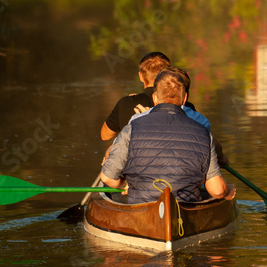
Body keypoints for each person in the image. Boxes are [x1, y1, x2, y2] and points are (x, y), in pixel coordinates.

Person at [100, 69, 235, 204]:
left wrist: (125, 184)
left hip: (141, 208)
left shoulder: (131, 128)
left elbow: (107, 178)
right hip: (185, 207)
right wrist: (227, 190)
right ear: (184, 98)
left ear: (154, 98)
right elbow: (217, 190)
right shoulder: (203, 132)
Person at [101, 51, 192, 140]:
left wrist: (131, 101)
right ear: (168, 74)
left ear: (140, 76)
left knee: (108, 153)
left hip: (134, 153)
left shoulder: (127, 103)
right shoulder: (184, 105)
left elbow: (105, 136)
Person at [128, 66, 211, 131]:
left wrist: (146, 115)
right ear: (185, 97)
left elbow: (118, 150)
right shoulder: (201, 122)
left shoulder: (136, 121)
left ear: (155, 98)